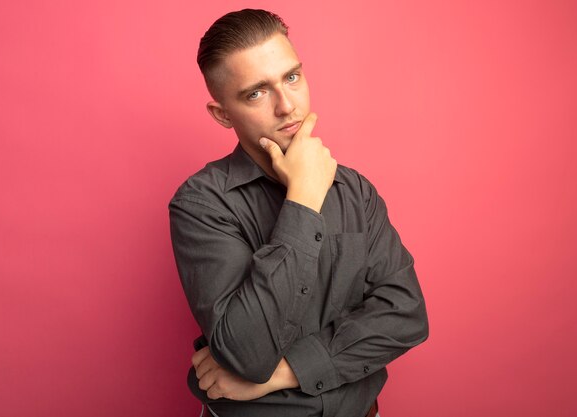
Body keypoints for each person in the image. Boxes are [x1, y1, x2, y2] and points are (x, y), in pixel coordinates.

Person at [169, 9, 429, 417]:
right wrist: (304, 199)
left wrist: (285, 372)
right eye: (256, 92)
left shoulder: (355, 191)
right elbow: (246, 354)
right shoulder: (202, 204)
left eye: (292, 77)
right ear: (223, 114)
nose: (287, 105)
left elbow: (406, 315)